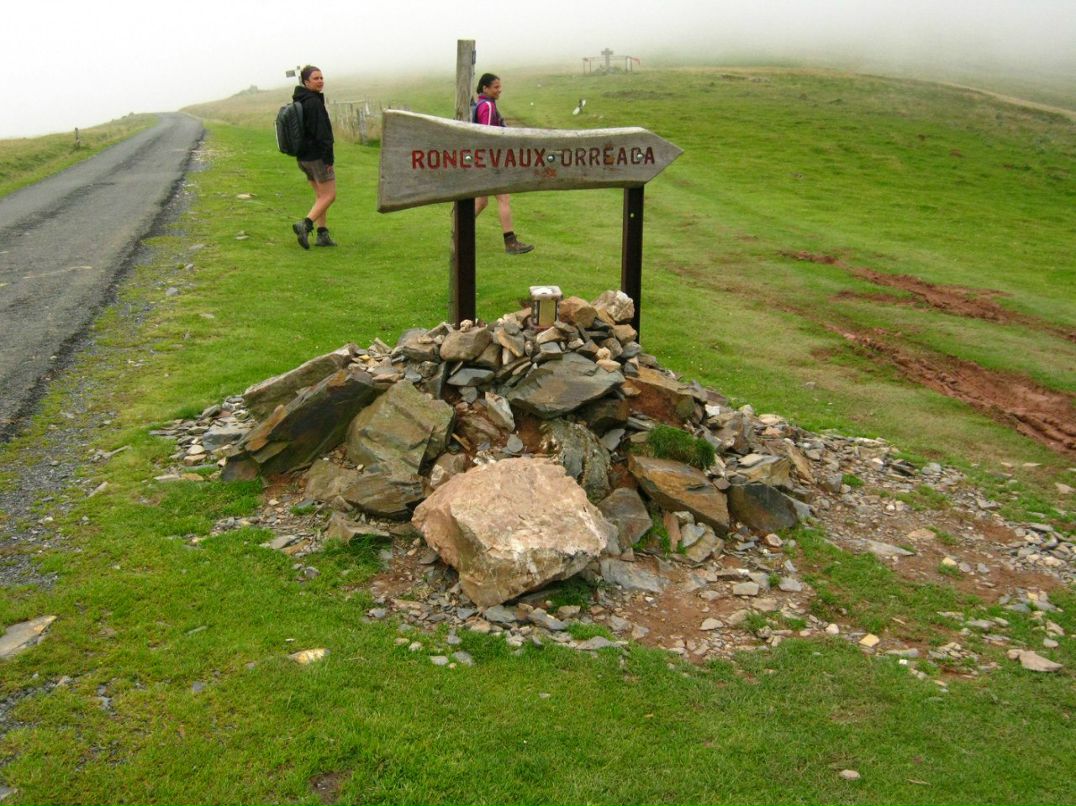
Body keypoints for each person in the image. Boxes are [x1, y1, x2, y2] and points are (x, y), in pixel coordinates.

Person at [473, 73, 534, 255]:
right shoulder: (488, 107)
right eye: (496, 87)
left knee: (482, 202)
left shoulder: (482, 104)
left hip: (482, 160)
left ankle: (458, 230)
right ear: (485, 88)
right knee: (503, 199)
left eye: (500, 87)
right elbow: (488, 134)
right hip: (490, 161)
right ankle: (510, 242)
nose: (500, 90)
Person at [291, 66, 337, 249]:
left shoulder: (300, 100)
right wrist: (328, 160)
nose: (320, 81)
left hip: (303, 158)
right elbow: (323, 134)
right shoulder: (313, 103)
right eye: (316, 78)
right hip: (317, 157)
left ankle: (322, 234)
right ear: (306, 82)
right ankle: (306, 224)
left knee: (320, 195)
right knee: (329, 195)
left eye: (321, 77)